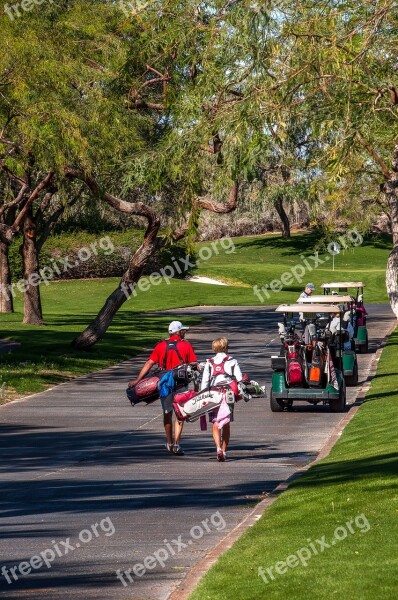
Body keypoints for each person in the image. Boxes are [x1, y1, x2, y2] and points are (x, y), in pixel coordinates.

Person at [129, 320, 197, 455]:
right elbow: (193, 363)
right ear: (179, 332)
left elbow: (150, 363)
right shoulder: (186, 345)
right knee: (180, 413)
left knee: (167, 412)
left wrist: (138, 380)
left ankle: (169, 442)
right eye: (183, 331)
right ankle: (177, 444)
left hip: (164, 383)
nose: (184, 333)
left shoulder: (160, 346)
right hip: (181, 383)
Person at [201, 337, 243, 462]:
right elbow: (239, 379)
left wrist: (203, 396)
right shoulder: (232, 361)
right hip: (228, 394)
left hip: (214, 394)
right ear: (226, 347)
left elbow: (205, 383)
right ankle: (224, 452)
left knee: (215, 422)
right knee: (226, 422)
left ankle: (218, 448)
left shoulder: (210, 362)